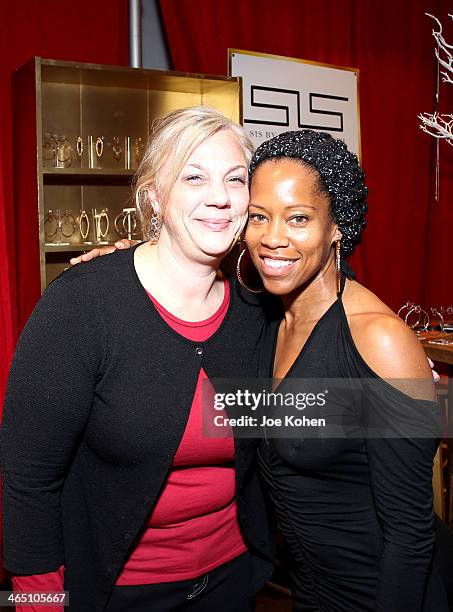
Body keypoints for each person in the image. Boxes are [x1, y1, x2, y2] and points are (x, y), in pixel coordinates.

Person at [0, 106, 275, 612]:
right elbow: (29, 479)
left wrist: (413, 397)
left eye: (236, 179)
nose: (219, 197)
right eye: (194, 176)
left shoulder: (257, 311)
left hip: (235, 577)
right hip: (117, 590)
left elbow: (310, 418)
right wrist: (40, 603)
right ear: (154, 195)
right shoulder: (82, 306)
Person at [240, 129, 448, 611]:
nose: (273, 237)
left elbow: (410, 537)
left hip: (380, 594)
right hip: (309, 590)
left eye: (298, 218)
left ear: (337, 226)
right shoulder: (267, 316)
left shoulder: (379, 339)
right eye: (259, 217)